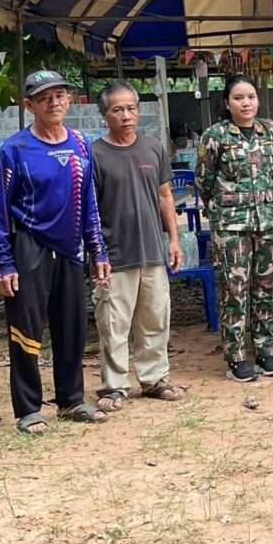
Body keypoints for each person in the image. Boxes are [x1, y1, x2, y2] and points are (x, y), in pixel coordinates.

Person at [0, 70, 111, 434]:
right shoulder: (15, 150)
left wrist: (98, 250)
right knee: (26, 329)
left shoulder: (81, 144)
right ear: (29, 106)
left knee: (72, 326)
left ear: (69, 100)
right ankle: (28, 409)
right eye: (44, 98)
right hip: (29, 246)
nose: (54, 102)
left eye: (60, 95)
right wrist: (3, 262)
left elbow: (89, 202)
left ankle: (71, 400)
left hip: (70, 246)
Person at [91, 81, 184, 412]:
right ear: (105, 115)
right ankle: (114, 385)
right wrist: (96, 252)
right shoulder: (94, 154)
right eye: (117, 110)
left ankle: (155, 379)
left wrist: (173, 239)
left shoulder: (153, 148)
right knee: (113, 323)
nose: (126, 115)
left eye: (131, 108)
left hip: (152, 251)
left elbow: (165, 196)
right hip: (114, 255)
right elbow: (89, 209)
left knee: (155, 318)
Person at [195, 75, 273, 383]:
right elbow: (204, 181)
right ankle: (236, 356)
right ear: (227, 103)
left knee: (266, 288)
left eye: (251, 97)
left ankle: (265, 351)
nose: (246, 103)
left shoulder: (271, 131)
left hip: (267, 222)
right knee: (234, 290)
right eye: (238, 98)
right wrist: (224, 207)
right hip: (231, 226)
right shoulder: (215, 136)